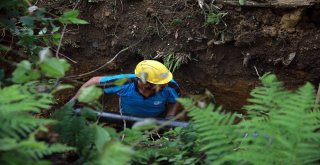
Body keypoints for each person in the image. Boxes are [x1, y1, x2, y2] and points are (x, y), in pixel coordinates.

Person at [72, 60, 182, 118]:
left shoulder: (171, 86)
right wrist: (74, 102)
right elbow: (94, 81)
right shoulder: (124, 83)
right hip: (126, 119)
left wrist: (170, 116)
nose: (166, 85)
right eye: (162, 84)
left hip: (156, 121)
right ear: (147, 84)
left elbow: (175, 101)